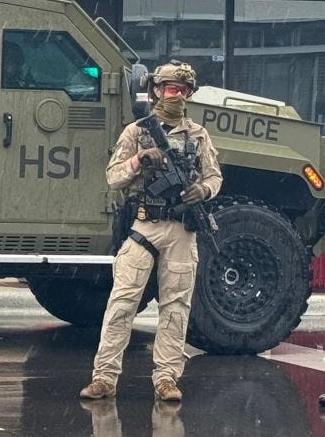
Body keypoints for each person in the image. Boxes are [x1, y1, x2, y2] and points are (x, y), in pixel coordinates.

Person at [79, 60, 222, 403]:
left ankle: (167, 378)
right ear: (157, 90)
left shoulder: (198, 135)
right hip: (144, 225)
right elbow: (113, 177)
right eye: (170, 89)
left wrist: (202, 191)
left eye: (183, 90)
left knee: (176, 307)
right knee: (122, 302)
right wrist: (140, 159)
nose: (176, 95)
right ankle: (104, 378)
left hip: (181, 229)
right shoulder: (137, 132)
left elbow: (214, 176)